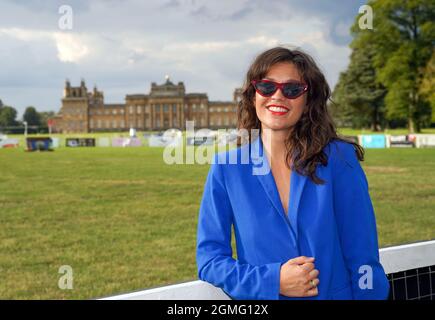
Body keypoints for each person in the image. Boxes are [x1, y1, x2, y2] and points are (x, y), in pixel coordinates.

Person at [196, 46, 390, 300]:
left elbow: (363, 258)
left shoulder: (339, 159)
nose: (278, 96)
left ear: (308, 100)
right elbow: (210, 260)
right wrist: (272, 280)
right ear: (253, 95)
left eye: (292, 89)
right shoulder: (226, 168)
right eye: (267, 87)